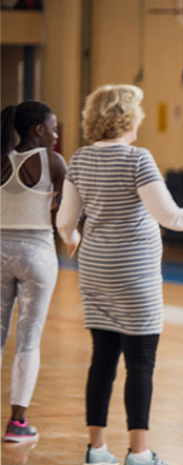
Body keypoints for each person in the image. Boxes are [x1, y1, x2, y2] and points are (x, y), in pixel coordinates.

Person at [56, 85, 183, 465]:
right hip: (135, 274)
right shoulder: (137, 159)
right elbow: (172, 217)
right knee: (140, 363)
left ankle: (96, 450)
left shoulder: (79, 159)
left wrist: (74, 240)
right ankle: (139, 454)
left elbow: (65, 222)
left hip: (95, 271)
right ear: (127, 117)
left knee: (102, 359)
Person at [1, 101, 67, 443]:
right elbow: (68, 212)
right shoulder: (51, 161)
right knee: (29, 338)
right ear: (38, 129)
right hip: (37, 254)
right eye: (53, 128)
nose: (56, 135)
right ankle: (17, 424)